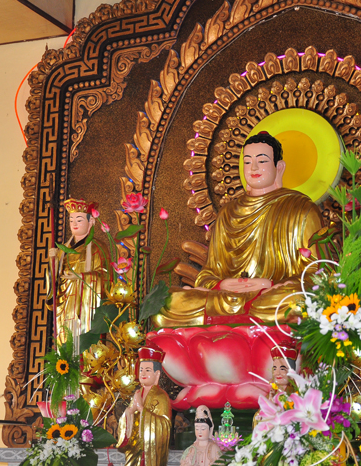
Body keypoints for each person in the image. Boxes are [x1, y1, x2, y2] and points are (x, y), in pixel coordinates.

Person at [152, 132, 323, 327]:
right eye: (247, 162)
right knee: (165, 303)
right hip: (228, 298)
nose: (254, 168)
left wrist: (268, 284)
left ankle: (233, 320)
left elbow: (318, 273)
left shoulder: (302, 209)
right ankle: (242, 318)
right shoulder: (228, 213)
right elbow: (209, 273)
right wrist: (222, 284)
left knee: (300, 302)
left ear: (279, 167)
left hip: (271, 297)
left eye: (262, 161)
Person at [46, 198, 107, 344]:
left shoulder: (97, 248)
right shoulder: (61, 251)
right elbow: (53, 283)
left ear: (91, 222)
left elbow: (104, 276)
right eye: (71, 220)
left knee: (83, 346)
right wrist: (53, 263)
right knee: (65, 346)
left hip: (85, 306)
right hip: (65, 304)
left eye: (79, 220)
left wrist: (81, 276)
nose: (74, 224)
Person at [118, 346, 172, 466]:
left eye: (147, 370)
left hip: (150, 452)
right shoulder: (138, 394)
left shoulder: (161, 396)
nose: (143, 373)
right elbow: (127, 420)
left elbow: (165, 425)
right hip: (134, 448)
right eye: (141, 369)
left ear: (157, 374)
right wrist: (130, 411)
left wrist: (142, 409)